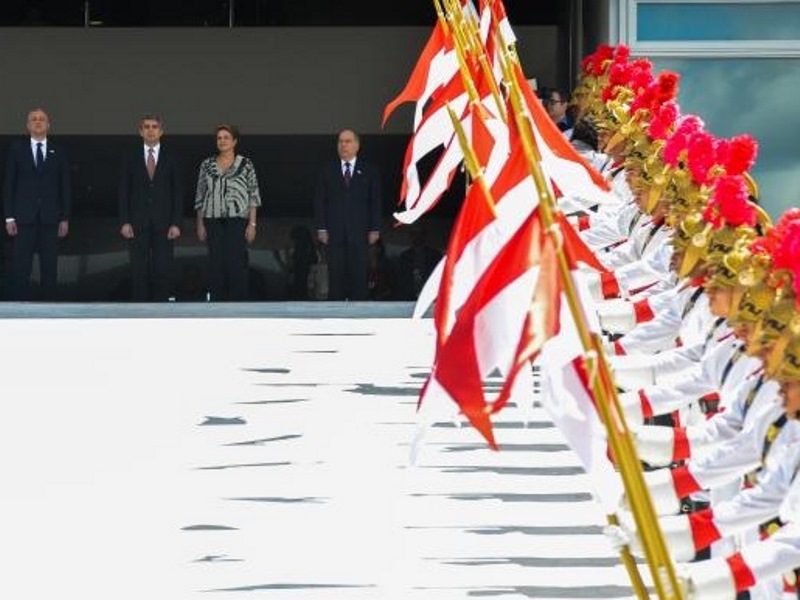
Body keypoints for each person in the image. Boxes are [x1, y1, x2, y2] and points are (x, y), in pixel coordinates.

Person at [3, 108, 71, 300]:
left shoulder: (58, 151)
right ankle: (20, 311)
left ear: (48, 125)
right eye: (34, 119)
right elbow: (9, 185)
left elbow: (64, 187)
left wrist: (64, 218)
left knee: (50, 268)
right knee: (21, 268)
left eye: (42, 119)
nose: (38, 122)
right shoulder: (16, 149)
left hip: (51, 219)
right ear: (28, 125)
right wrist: (9, 217)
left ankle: (50, 310)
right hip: (23, 219)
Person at [118, 114, 184, 301]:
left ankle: (161, 310)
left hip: (164, 223)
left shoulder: (172, 156)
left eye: (154, 126)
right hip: (136, 222)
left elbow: (178, 191)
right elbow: (124, 190)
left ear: (161, 131)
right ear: (140, 131)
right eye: (146, 126)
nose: (150, 130)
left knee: (162, 268)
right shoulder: (130, 155)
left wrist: (176, 223)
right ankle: (140, 310)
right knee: (138, 269)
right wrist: (124, 221)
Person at [313, 128, 382, 301]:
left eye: (348, 141)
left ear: (357, 146)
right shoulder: (326, 170)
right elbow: (319, 200)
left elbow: (375, 201)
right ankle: (334, 316)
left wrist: (375, 228)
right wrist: (321, 228)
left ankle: (360, 316)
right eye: (340, 141)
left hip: (360, 232)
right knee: (335, 275)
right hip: (334, 232)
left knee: (359, 276)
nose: (343, 145)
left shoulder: (369, 170)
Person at [194, 124, 261, 301]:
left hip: (237, 220)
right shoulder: (207, 164)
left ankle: (238, 305)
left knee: (236, 262)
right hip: (212, 219)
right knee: (215, 263)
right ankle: (217, 304)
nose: (222, 141)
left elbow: (253, 195)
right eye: (219, 138)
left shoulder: (246, 164)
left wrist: (252, 224)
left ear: (235, 141)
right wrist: (200, 223)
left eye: (226, 137)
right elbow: (200, 195)